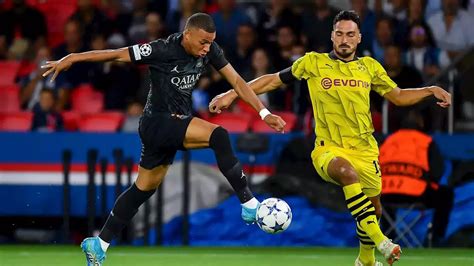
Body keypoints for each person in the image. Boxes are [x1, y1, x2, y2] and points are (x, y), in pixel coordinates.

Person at [209, 10, 451, 266]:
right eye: (339, 33)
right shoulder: (313, 62)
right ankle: (383, 242)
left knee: (374, 210)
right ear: (332, 36)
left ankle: (366, 260)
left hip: (366, 150)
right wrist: (232, 93)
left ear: (359, 38)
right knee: (346, 172)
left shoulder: (369, 67)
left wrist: (431, 89)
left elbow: (399, 96)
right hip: (328, 149)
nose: (344, 39)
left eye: (350, 34)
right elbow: (271, 80)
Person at [42, 13, 286, 266]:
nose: (207, 48)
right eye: (203, 42)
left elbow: (236, 80)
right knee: (218, 135)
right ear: (187, 34)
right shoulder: (161, 49)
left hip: (171, 125)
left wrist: (263, 112)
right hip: (157, 122)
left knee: (143, 189)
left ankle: (99, 243)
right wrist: (73, 58)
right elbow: (116, 54)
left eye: (210, 42)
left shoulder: (210, 50)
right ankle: (249, 203)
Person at [379, 110, 454, 246]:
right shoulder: (426, 141)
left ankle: (388, 235)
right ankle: (435, 238)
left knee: (381, 198)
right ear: (421, 124)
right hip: (416, 194)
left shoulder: (388, 140)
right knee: (446, 195)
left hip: (385, 194)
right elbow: (438, 171)